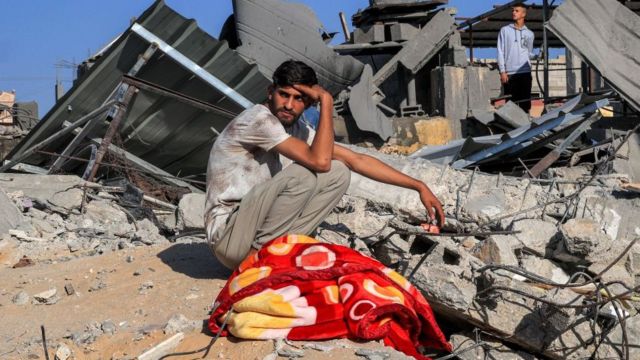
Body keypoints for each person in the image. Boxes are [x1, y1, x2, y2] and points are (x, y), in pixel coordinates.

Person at [205, 60, 444, 270]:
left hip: (249, 229)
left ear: (308, 104)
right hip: (228, 234)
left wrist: (418, 185)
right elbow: (318, 161)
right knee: (305, 173)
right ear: (270, 92)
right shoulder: (259, 120)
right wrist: (328, 102)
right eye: (284, 95)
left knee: (338, 171)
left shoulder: (296, 129)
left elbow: (355, 160)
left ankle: (276, 253)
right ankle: (256, 260)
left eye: (299, 98)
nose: (289, 105)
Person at [497, 3, 536, 113]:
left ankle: (526, 129)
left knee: (525, 105)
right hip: (510, 74)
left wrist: (537, 56)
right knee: (510, 105)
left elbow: (528, 52)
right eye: (513, 10)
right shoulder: (504, 31)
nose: (513, 12)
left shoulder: (530, 34)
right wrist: (502, 71)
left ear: (523, 14)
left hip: (525, 72)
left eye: (517, 11)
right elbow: (500, 51)